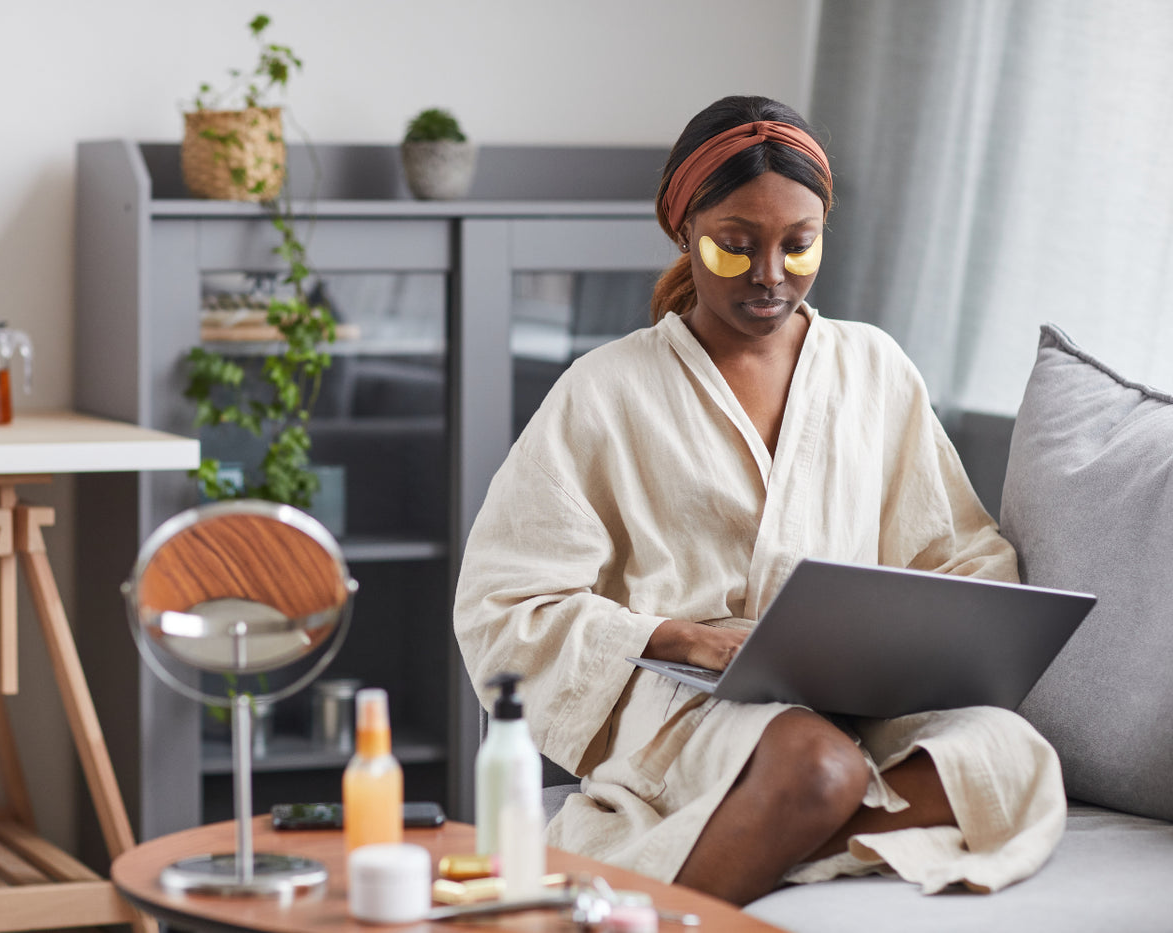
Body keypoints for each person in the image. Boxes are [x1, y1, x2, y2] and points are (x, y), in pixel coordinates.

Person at [453, 96, 1065, 906]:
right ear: (685, 232)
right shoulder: (605, 391)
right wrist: (677, 638)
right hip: (684, 699)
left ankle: (745, 837)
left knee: (1010, 758)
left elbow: (956, 546)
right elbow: (503, 604)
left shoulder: (874, 368)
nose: (771, 275)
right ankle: (705, 879)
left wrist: (935, 634)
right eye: (736, 247)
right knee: (820, 766)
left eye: (798, 246)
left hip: (861, 691)